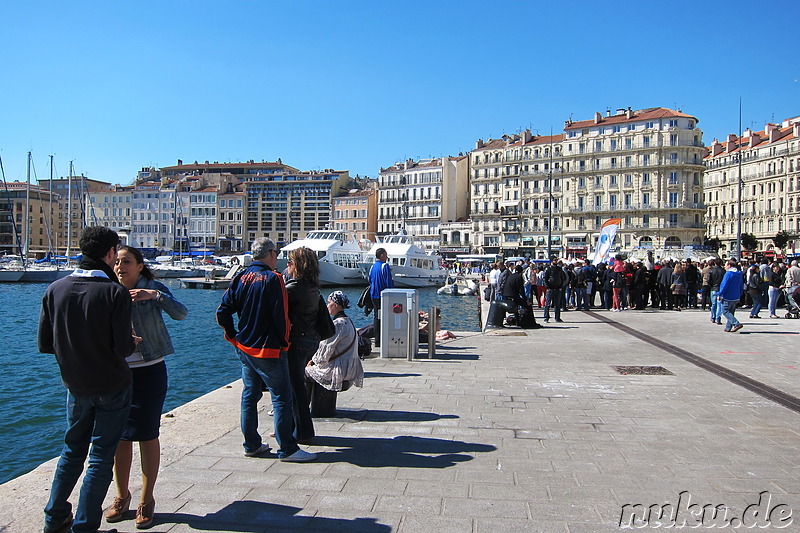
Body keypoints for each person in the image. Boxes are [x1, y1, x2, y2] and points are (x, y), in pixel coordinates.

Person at [38, 226, 137, 533]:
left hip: (76, 386)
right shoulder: (114, 292)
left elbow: (44, 344)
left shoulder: (55, 289)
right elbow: (122, 348)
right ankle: (84, 525)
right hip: (112, 385)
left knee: (71, 451)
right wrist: (133, 341)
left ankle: (54, 518)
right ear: (110, 253)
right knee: (100, 457)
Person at [105, 245, 188, 529]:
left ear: (139, 266)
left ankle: (146, 499)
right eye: (116, 262)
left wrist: (155, 296)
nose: (120, 267)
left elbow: (181, 313)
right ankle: (121, 496)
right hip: (117, 373)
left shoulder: (153, 288)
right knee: (120, 436)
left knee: (147, 434)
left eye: (126, 262)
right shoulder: (108, 290)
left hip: (150, 370)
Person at [216, 237, 316, 462]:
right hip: (268, 348)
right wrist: (284, 342)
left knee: (249, 396)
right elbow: (280, 316)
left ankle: (251, 444)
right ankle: (287, 449)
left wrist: (232, 335)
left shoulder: (241, 277)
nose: (278, 258)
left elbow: (223, 310)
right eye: (277, 254)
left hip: (245, 346)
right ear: (270, 253)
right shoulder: (273, 279)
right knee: (282, 397)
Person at [284, 246, 321, 444]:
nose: (287, 264)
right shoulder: (312, 285)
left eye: (290, 262)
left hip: (297, 341)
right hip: (311, 340)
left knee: (294, 385)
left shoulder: (293, 288)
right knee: (297, 383)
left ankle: (302, 430)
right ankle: (297, 427)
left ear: (298, 265)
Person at [306, 291, 364, 392]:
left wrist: (313, 361)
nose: (328, 306)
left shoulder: (338, 324)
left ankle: (304, 406)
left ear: (336, 305)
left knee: (305, 373)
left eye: (329, 303)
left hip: (338, 370)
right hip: (349, 369)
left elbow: (323, 354)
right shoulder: (348, 322)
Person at [369, 247, 394, 348]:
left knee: (376, 317)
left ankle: (377, 340)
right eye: (386, 254)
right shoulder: (385, 266)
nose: (387, 257)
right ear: (382, 255)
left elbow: (370, 280)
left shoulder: (372, 267)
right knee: (385, 317)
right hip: (383, 296)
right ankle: (384, 338)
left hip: (373, 295)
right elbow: (389, 283)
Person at [718, 259, 744, 333]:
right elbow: (741, 285)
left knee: (725, 311)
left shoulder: (728, 274)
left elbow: (724, 284)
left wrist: (720, 293)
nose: (725, 267)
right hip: (736, 295)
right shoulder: (739, 274)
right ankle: (728, 327)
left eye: (726, 265)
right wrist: (740, 294)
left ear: (729, 265)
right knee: (731, 311)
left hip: (728, 295)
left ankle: (736, 323)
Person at [543, 257, 566, 323]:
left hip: (558, 288)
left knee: (557, 304)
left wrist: (561, 286)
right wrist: (547, 287)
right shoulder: (548, 269)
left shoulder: (559, 269)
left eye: (556, 260)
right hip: (550, 289)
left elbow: (562, 278)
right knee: (548, 304)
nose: (556, 261)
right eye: (555, 260)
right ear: (551, 261)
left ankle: (557, 317)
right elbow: (545, 279)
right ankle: (546, 317)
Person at [707, 258, 725, 325]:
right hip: (720, 289)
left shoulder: (711, 270)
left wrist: (711, 286)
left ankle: (713, 317)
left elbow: (708, 280)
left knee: (714, 304)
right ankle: (718, 318)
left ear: (715, 263)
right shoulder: (723, 271)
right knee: (719, 304)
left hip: (713, 288)